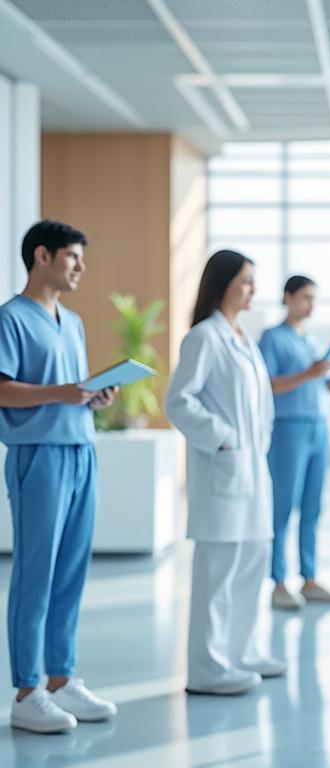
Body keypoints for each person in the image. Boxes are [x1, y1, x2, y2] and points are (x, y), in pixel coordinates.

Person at [0, 220, 119, 733]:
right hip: (38, 455)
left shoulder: (72, 321)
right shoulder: (11, 318)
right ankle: (26, 690)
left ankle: (60, 678)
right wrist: (63, 393)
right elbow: (2, 389)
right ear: (42, 256)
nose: (80, 268)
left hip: (80, 449)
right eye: (73, 257)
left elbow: (71, 388)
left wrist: (94, 395)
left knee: (71, 570)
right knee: (36, 573)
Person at [165, 249, 286, 695]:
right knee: (218, 571)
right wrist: (223, 437)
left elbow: (261, 404)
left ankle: (242, 651)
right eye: (246, 280)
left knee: (251, 563)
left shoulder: (242, 337)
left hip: (252, 471)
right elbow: (179, 401)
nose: (253, 289)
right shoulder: (205, 337)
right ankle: (207, 667)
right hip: (225, 469)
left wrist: (254, 440)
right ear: (224, 283)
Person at [259, 275, 330, 610]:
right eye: (305, 297)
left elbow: (321, 388)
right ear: (288, 297)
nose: (310, 305)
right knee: (283, 506)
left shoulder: (313, 339)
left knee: (313, 507)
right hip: (288, 429)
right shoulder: (272, 337)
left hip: (318, 427)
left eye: (314, 298)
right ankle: (278, 582)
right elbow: (267, 385)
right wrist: (309, 374)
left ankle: (309, 579)